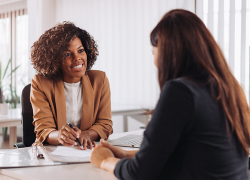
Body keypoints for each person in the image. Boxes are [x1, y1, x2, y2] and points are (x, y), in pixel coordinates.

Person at [90, 9, 250, 179]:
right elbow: (194, 155)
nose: (155, 62)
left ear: (167, 52)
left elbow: (140, 174)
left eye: (154, 53)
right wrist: (126, 154)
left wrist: (105, 161)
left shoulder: (181, 92)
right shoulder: (231, 88)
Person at [30, 22, 113, 150]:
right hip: (52, 153)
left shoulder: (99, 80)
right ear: (54, 59)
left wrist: (86, 134)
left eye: (80, 51)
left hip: (86, 151)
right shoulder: (40, 83)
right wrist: (60, 136)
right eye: (68, 54)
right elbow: (44, 129)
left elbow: (105, 124)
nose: (77, 58)